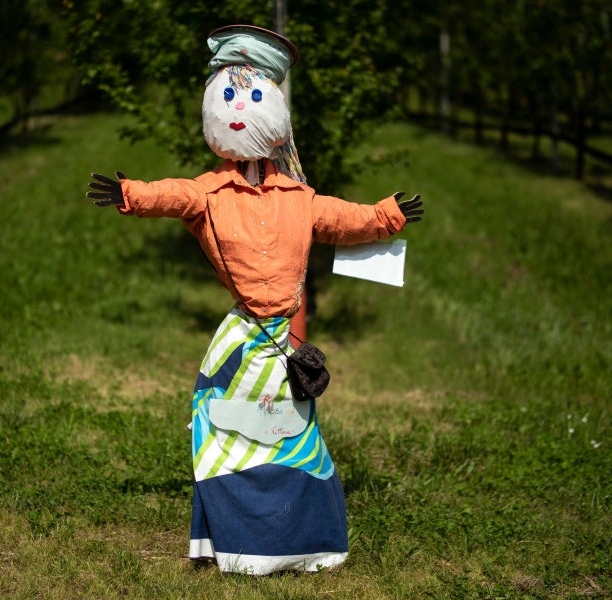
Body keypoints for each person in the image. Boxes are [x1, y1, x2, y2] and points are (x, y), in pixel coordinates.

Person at [87, 24, 423, 575]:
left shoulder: (300, 197)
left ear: (276, 113)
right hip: (242, 342)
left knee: (294, 439)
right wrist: (132, 193)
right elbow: (173, 194)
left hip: (283, 344)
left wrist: (389, 215)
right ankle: (227, 542)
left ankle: (306, 543)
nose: (239, 111)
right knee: (224, 437)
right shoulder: (208, 194)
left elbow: (348, 219)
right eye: (227, 96)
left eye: (254, 97)